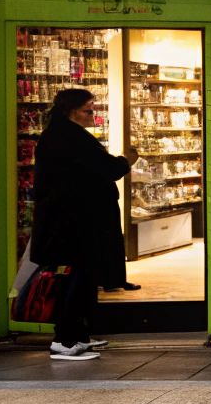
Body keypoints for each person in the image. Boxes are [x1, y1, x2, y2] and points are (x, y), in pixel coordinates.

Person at [32, 88, 134, 361]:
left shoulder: (62, 135)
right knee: (75, 279)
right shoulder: (69, 138)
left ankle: (78, 336)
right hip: (73, 224)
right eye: (88, 110)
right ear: (72, 111)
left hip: (74, 221)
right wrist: (126, 161)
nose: (93, 115)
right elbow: (106, 169)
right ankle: (64, 341)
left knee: (84, 278)